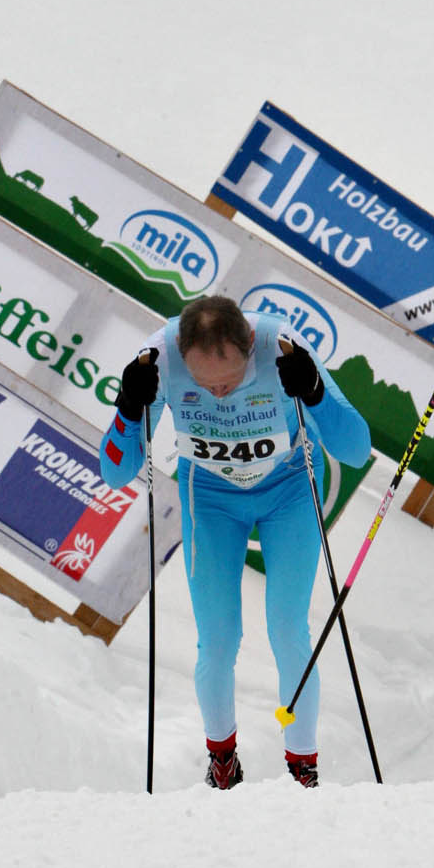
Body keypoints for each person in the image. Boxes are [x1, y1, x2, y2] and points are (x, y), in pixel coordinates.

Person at [99, 294, 371, 790]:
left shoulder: (280, 344)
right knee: (218, 641)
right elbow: (116, 472)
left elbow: (354, 448)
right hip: (211, 499)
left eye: (229, 380)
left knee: (289, 630)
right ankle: (223, 761)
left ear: (249, 343)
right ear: (183, 354)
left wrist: (313, 391)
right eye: (205, 385)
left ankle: (302, 765)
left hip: (287, 491)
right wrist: (128, 407)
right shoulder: (157, 359)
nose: (219, 394)